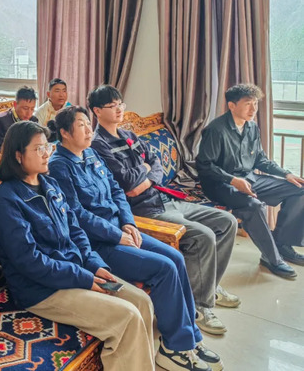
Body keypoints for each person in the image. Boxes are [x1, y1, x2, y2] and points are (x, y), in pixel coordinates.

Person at [49, 107, 222, 371]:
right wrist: (117, 235)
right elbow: (77, 215)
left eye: (88, 124)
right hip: (98, 243)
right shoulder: (59, 166)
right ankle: (173, 349)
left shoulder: (91, 153)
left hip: (121, 229)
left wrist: (128, 223)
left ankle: (189, 339)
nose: (88, 130)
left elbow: (117, 191)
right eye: (81, 125)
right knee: (164, 269)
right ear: (64, 132)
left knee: (176, 257)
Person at [0, 120, 155, 371]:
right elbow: (29, 261)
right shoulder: (7, 199)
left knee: (142, 301)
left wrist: (94, 265)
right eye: (39, 149)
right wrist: (84, 277)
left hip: (76, 272)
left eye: (47, 147)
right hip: (42, 289)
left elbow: (76, 231)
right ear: (18, 155)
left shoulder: (50, 184)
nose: (47, 153)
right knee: (127, 316)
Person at [88, 84, 239, 336]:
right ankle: (199, 306)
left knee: (226, 222)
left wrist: (146, 175)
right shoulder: (97, 144)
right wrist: (145, 172)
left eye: (120, 104)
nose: (118, 109)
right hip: (144, 210)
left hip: (164, 198)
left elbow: (155, 163)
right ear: (96, 111)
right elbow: (128, 185)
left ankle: (208, 286)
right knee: (203, 236)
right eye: (111, 106)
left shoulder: (129, 135)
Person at [197, 84, 304, 278]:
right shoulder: (215, 130)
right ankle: (272, 258)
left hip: (250, 179)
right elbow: (204, 165)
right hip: (220, 185)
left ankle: (282, 244)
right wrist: (232, 180)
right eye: (248, 104)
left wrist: (286, 174)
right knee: (253, 206)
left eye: (255, 103)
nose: (254, 109)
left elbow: (260, 160)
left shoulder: (252, 126)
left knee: (298, 188)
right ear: (232, 105)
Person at [0, 86, 39, 152]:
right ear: (15, 104)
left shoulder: (33, 121)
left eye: (32, 109)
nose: (29, 113)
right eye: (25, 108)